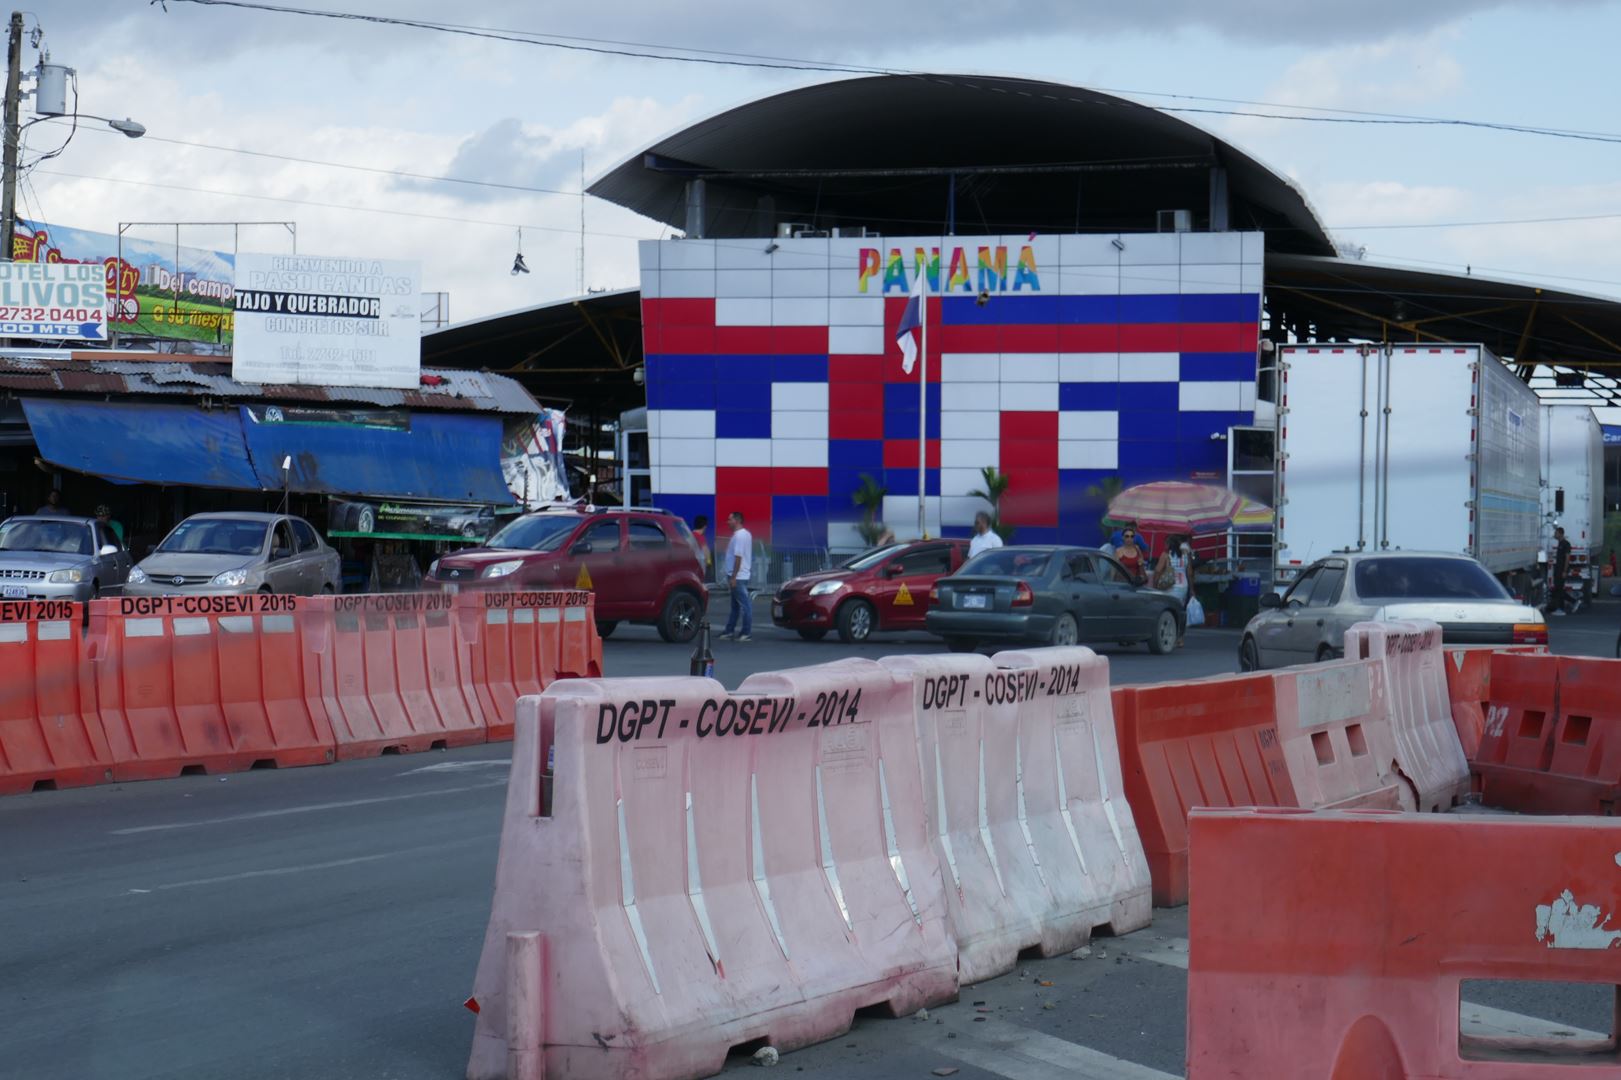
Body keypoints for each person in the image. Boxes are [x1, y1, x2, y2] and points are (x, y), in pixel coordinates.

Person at [1153, 534, 1195, 646]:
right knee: (1180, 611)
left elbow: (1158, 571)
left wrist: (1154, 585)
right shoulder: (1185, 555)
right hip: (1183, 587)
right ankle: (1180, 638)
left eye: (1166, 543)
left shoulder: (1166, 555)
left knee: (1168, 612)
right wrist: (1192, 590)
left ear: (1169, 544)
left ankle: (1169, 635)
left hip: (1169, 587)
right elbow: (1190, 573)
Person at [719, 510, 754, 642]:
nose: (727, 522)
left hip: (738, 576)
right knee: (736, 606)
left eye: (730, 519)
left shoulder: (739, 536)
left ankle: (746, 632)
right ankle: (729, 630)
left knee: (744, 605)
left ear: (737, 520)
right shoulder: (745, 534)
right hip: (740, 575)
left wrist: (733, 577)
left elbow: (738, 557)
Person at [1548, 526, 1573, 616]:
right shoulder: (1560, 543)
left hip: (1562, 570)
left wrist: (1565, 571)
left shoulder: (1566, 544)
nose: (1555, 535)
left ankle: (1561, 608)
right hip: (1558, 570)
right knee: (1558, 589)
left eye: (1556, 533)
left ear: (1561, 534)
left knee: (1559, 589)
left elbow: (1567, 558)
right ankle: (1571, 602)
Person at [692, 514, 712, 582]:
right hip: (700, 567)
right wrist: (708, 564)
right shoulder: (700, 537)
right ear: (704, 526)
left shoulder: (690, 535)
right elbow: (706, 552)